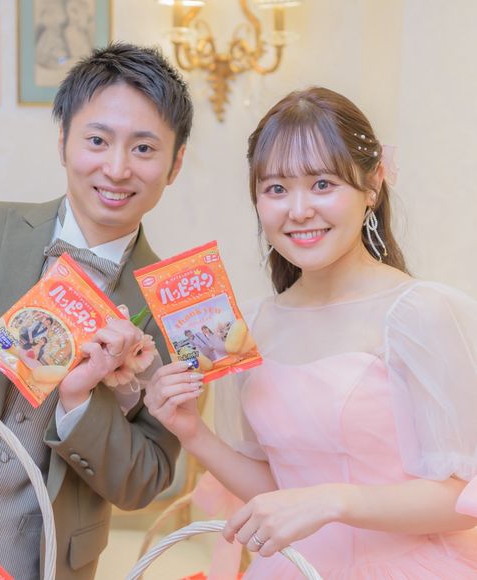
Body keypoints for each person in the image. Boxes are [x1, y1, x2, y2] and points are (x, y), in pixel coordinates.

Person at [145, 87, 477, 577]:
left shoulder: (420, 314)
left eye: (322, 184)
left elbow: (463, 499)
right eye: (276, 189)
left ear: (372, 186)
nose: (297, 210)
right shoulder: (251, 326)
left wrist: (335, 500)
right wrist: (191, 432)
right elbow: (275, 495)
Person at [0, 42, 193, 580]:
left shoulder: (175, 305)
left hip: (42, 564)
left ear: (176, 164)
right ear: (63, 142)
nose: (117, 168)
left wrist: (81, 404)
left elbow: (146, 481)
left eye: (144, 148)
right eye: (97, 140)